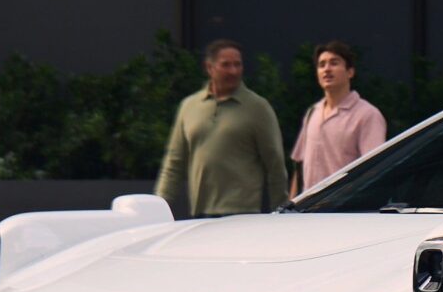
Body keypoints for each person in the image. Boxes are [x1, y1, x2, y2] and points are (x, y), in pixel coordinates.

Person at [155, 37, 288, 218]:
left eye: (237, 64)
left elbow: (275, 164)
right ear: (209, 67)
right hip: (201, 213)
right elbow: (174, 162)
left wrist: (281, 212)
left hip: (242, 213)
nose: (233, 71)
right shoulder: (190, 106)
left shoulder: (257, 107)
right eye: (226, 65)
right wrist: (158, 206)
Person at [290, 38, 388, 194]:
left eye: (334, 63)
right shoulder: (312, 113)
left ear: (350, 72)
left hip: (343, 211)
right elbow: (299, 167)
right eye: (322, 65)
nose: (327, 69)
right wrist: (291, 206)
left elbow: (373, 171)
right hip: (307, 211)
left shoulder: (368, 115)